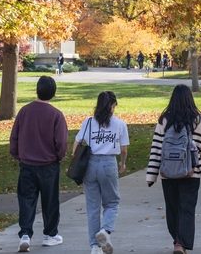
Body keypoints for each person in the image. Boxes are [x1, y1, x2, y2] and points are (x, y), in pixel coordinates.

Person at [146, 85, 201, 254]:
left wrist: (151, 175)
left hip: (168, 173)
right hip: (191, 173)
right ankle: (181, 242)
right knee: (187, 208)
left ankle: (177, 241)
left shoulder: (164, 121)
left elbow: (156, 148)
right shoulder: (199, 120)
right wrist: (198, 164)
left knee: (173, 208)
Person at [9, 76, 68, 252]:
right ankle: (50, 234)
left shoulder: (24, 112)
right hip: (49, 164)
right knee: (50, 201)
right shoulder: (56, 115)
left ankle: (25, 234)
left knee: (26, 200)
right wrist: (60, 155)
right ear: (53, 93)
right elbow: (61, 141)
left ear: (37, 90)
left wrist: (17, 153)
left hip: (27, 164)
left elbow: (15, 136)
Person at [74, 91, 128, 254]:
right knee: (112, 202)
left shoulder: (88, 122)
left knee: (92, 207)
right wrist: (122, 164)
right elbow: (124, 149)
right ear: (112, 106)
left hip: (90, 164)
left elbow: (76, 146)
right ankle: (105, 230)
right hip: (108, 163)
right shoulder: (120, 124)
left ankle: (94, 246)